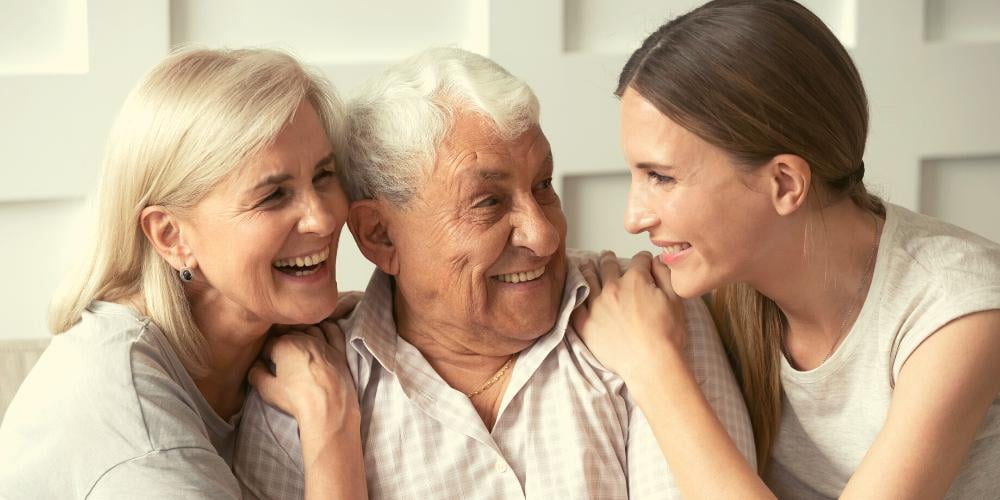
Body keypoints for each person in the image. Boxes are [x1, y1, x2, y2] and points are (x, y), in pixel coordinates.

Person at [234, 47, 755, 499]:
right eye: (488, 202)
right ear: (379, 236)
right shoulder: (301, 395)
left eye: (545, 184)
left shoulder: (648, 315)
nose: (544, 236)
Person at [574, 1, 1000, 498]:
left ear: (784, 183)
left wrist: (653, 366)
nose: (634, 218)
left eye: (661, 177)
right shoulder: (714, 286)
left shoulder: (957, 313)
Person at [0, 48, 365, 499]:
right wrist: (331, 430)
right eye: (273, 196)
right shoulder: (138, 437)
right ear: (171, 236)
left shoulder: (277, 334)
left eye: (324, 174)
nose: (324, 219)